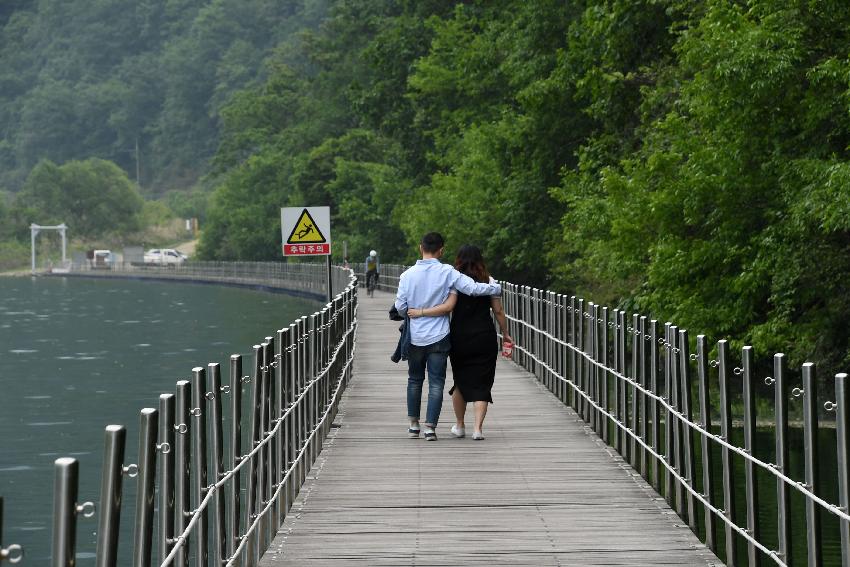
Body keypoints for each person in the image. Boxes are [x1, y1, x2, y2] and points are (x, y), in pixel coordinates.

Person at [395, 232, 501, 441]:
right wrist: (495, 288)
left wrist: (413, 311)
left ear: (420, 247)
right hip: (439, 335)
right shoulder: (447, 272)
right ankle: (430, 428)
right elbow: (471, 288)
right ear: (441, 250)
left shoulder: (407, 275)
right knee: (436, 382)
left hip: (415, 335)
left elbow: (400, 307)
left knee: (414, 380)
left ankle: (413, 425)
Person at [439, 244, 511, 441]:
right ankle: (478, 429)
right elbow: (498, 311)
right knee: (482, 382)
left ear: (459, 260)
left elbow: (448, 308)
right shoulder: (490, 282)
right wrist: (505, 334)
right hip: (484, 336)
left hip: (459, 336)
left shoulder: (453, 281)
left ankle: (460, 425)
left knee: (460, 381)